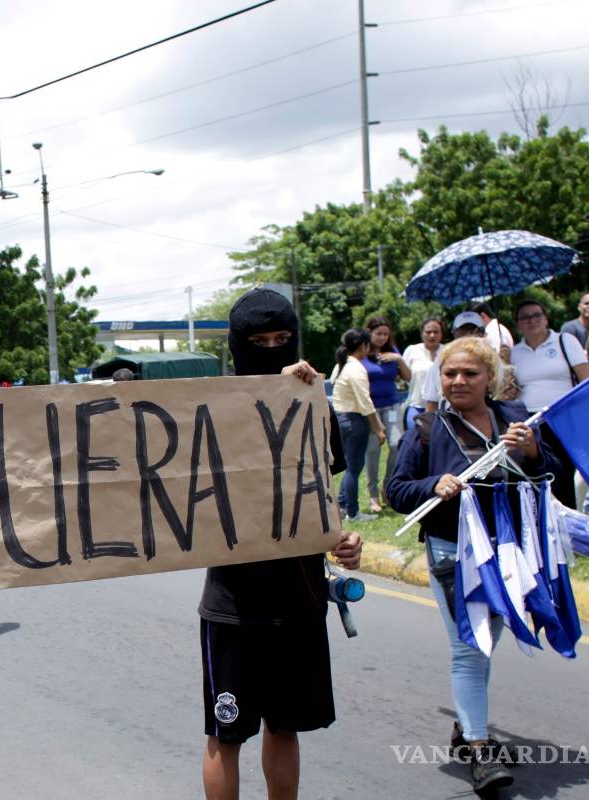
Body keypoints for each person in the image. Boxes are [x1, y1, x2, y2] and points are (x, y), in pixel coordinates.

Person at [199, 288, 363, 800]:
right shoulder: (209, 407)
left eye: (282, 340)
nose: (272, 350)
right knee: (226, 734)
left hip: (299, 598)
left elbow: (320, 493)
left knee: (285, 726)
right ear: (237, 345)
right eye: (259, 342)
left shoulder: (313, 403)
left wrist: (343, 540)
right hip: (233, 605)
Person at [386, 337, 561, 795]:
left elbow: (550, 475)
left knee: (486, 644)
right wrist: (433, 485)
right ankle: (481, 750)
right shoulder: (426, 428)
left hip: (508, 552)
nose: (458, 381)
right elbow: (396, 491)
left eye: (470, 373)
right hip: (453, 552)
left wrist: (533, 452)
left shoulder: (516, 421)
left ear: (490, 379)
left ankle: (466, 729)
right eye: (449, 373)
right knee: (469, 647)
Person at [509, 298, 589, 508]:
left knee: (564, 473)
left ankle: (568, 518)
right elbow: (510, 390)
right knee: (536, 474)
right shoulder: (514, 353)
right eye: (525, 317)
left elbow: (586, 381)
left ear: (546, 318)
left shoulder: (565, 341)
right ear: (518, 324)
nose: (532, 320)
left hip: (562, 417)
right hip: (530, 421)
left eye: (537, 315)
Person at [330, 328, 386, 522]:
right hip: (354, 420)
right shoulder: (356, 368)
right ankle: (353, 512)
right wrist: (378, 428)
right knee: (353, 468)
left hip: (340, 418)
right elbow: (365, 402)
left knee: (349, 467)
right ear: (364, 346)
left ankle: (342, 506)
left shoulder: (341, 364)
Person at [362, 316, 408, 515]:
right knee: (373, 451)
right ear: (369, 332)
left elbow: (408, 377)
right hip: (371, 409)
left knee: (397, 445)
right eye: (378, 333)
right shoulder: (361, 353)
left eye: (385, 334)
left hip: (392, 406)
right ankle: (373, 495)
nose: (382, 337)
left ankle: (387, 488)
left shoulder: (393, 351)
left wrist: (399, 359)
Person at [421, 311, 486, 413]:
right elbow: (431, 402)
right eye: (463, 331)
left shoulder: (491, 361)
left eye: (474, 330)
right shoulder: (440, 361)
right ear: (454, 333)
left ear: (483, 333)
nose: (469, 335)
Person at [401, 317, 444, 431]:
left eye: (436, 332)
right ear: (422, 333)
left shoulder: (447, 351)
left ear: (441, 334)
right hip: (416, 405)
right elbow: (404, 377)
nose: (432, 335)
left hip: (441, 408)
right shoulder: (412, 350)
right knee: (415, 437)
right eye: (428, 332)